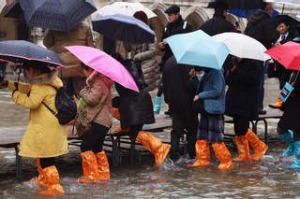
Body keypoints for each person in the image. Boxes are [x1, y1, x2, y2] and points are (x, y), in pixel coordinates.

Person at [9, 60, 68, 195]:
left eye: (27, 70)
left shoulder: (40, 86)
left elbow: (32, 102)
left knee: (47, 159)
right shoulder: (51, 81)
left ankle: (55, 188)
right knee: (45, 155)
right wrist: (12, 85)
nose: (26, 73)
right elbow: (30, 89)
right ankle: (43, 180)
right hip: (52, 126)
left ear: (33, 70)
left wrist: (15, 95)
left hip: (46, 127)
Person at [112, 53, 170, 167]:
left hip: (136, 105)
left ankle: (159, 147)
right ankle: (158, 148)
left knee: (135, 132)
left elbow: (127, 93)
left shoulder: (121, 72)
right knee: (135, 131)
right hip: (141, 102)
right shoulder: (130, 67)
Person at [188, 66, 234, 171]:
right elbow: (200, 88)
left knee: (216, 137)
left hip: (214, 109)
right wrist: (194, 78)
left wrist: (201, 96)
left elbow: (217, 91)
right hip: (206, 108)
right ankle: (202, 159)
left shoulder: (216, 72)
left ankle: (226, 162)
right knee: (201, 136)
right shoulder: (207, 72)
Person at [224, 57, 268, 162]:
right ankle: (243, 154)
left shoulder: (253, 64)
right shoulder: (234, 63)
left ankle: (260, 146)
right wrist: (228, 74)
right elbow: (230, 82)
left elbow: (250, 80)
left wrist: (236, 70)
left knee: (243, 128)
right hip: (235, 102)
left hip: (247, 103)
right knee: (238, 130)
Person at [78, 63, 113, 183]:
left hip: (100, 121)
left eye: (83, 70)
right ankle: (103, 175)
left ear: (88, 70)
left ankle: (91, 176)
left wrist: (83, 92)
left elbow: (92, 100)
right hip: (104, 121)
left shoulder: (98, 82)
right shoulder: (100, 81)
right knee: (97, 147)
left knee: (85, 146)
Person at [154, 4, 193, 115]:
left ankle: (182, 108)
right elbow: (163, 43)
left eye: (170, 15)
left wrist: (173, 41)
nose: (169, 17)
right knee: (168, 85)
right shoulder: (167, 27)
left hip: (181, 61)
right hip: (168, 61)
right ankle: (171, 107)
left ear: (177, 14)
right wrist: (162, 45)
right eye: (168, 15)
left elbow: (188, 42)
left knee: (180, 85)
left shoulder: (186, 26)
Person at [43, 21, 94, 98]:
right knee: (82, 95)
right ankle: (82, 109)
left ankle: (65, 109)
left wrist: (49, 29)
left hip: (62, 68)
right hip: (80, 67)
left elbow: (47, 43)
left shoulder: (55, 26)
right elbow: (90, 47)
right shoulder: (85, 27)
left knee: (62, 96)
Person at [244, 3, 279, 114]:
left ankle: (248, 105)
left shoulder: (252, 20)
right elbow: (272, 37)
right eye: (272, 10)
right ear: (268, 10)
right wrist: (277, 31)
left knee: (250, 81)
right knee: (259, 82)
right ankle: (257, 106)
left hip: (249, 55)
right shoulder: (267, 20)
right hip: (260, 55)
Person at [162, 56, 198, 161]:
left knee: (176, 130)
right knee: (192, 129)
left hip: (173, 102)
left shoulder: (168, 62)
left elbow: (164, 83)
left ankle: (174, 156)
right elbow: (189, 84)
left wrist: (168, 99)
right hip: (187, 103)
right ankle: (191, 155)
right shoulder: (187, 62)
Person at [123, 11, 160, 93]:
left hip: (147, 68)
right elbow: (128, 49)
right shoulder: (134, 33)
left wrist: (138, 56)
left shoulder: (150, 33)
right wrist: (125, 39)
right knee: (135, 92)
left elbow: (153, 51)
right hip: (135, 67)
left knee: (144, 93)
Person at [269, 17, 294, 109]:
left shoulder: (293, 35)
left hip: (289, 62)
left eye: (283, 26)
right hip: (279, 62)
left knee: (287, 82)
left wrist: (282, 44)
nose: (281, 28)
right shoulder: (276, 36)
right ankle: (281, 101)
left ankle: (282, 101)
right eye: (279, 26)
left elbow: (293, 43)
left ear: (288, 27)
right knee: (282, 81)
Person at [276, 70, 300, 169]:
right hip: (291, 105)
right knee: (281, 128)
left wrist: (295, 88)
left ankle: (299, 159)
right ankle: (292, 145)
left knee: (297, 133)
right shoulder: (294, 72)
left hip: (298, 107)